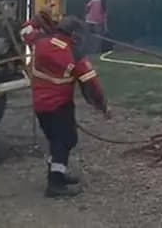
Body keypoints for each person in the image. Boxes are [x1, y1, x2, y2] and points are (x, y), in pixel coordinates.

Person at [29, 15, 110, 198]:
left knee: (56, 140)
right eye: (78, 34)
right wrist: (103, 107)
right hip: (59, 105)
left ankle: (57, 174)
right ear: (73, 33)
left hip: (40, 105)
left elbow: (25, 30)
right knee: (65, 140)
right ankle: (55, 184)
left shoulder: (40, 41)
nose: (80, 38)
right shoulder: (73, 54)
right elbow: (92, 85)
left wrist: (38, 17)